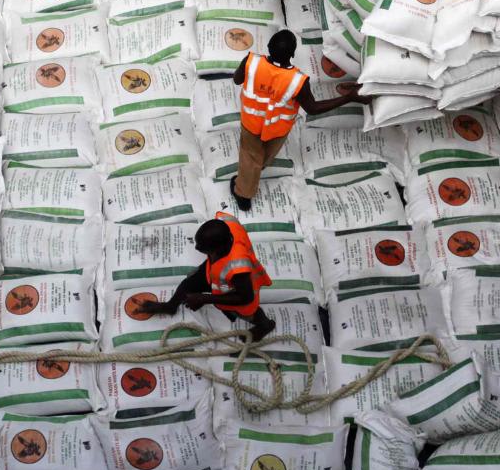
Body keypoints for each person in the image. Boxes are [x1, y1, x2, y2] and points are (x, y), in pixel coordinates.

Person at [231, 30, 370, 211]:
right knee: (263, 157)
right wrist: (349, 97)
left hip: (251, 123)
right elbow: (312, 108)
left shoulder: (252, 62)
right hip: (277, 129)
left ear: (268, 47)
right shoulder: (298, 81)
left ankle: (244, 192)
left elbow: (236, 79)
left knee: (251, 158)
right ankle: (246, 188)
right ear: (293, 54)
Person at [139, 212, 276, 341]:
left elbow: (246, 297)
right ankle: (170, 306)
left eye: (202, 247)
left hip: (241, 290)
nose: (197, 248)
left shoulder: (238, 269)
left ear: (219, 249)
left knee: (247, 312)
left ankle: (265, 325)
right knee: (188, 284)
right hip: (215, 268)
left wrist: (204, 298)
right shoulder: (227, 226)